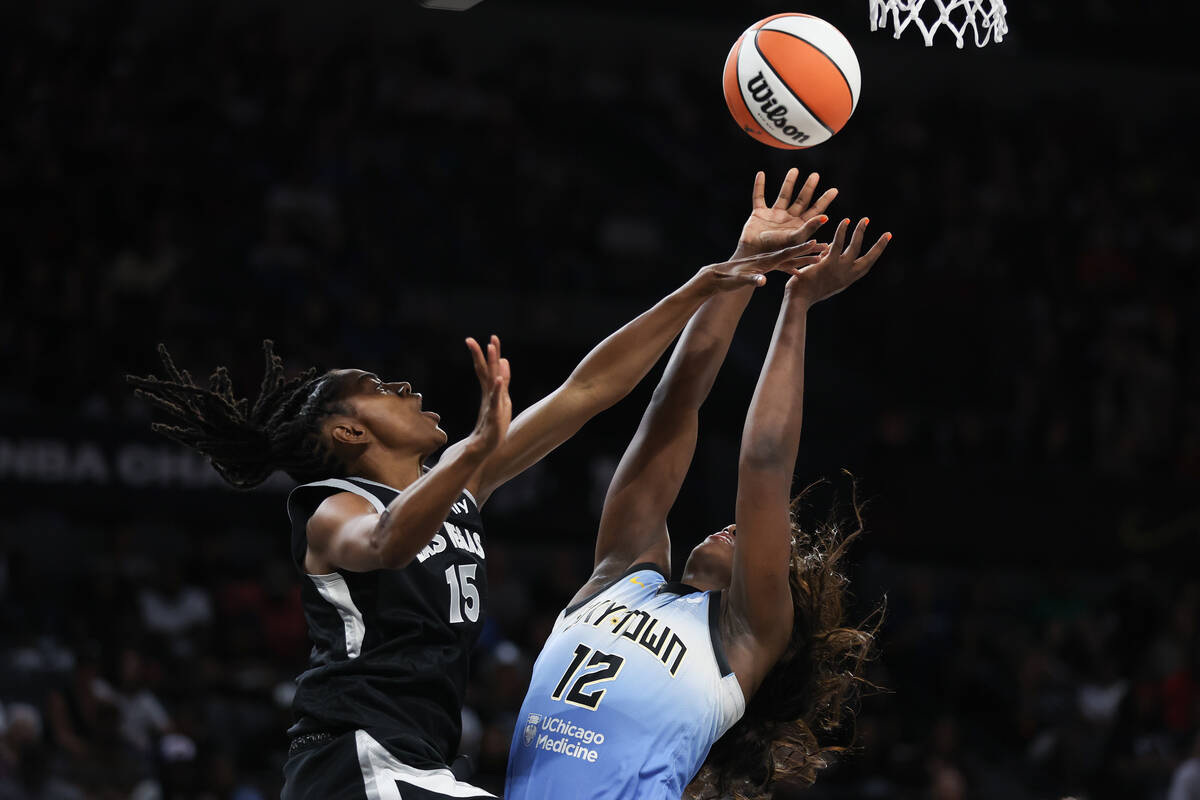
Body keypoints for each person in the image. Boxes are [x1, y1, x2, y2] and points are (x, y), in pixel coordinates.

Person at [127, 207, 825, 799]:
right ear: (348, 431)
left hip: (421, 766)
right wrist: (473, 449)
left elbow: (589, 390)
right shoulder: (330, 509)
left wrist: (707, 282)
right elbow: (384, 543)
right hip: (354, 759)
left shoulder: (456, 490)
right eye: (380, 387)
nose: (405, 387)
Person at [504, 169, 888, 800]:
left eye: (770, 541)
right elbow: (673, 406)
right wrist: (742, 267)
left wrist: (796, 306)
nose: (742, 527)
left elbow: (764, 464)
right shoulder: (618, 575)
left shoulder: (746, 637)